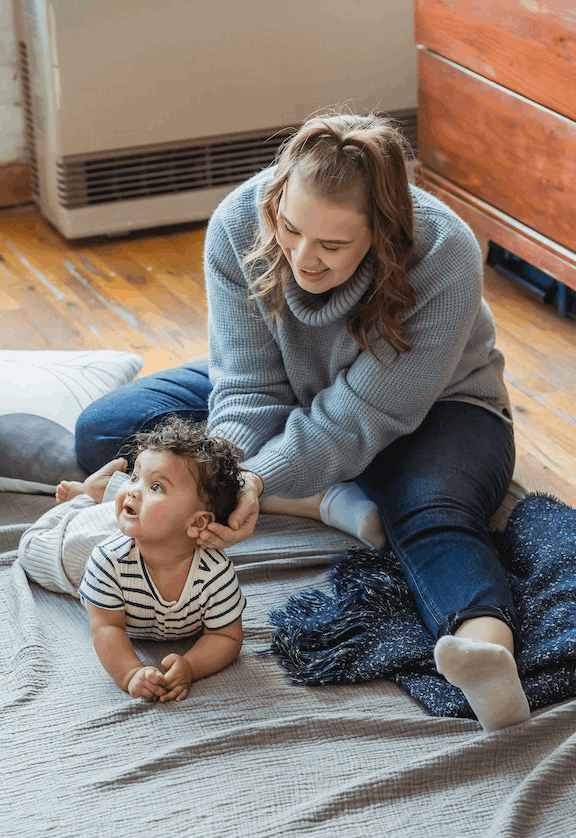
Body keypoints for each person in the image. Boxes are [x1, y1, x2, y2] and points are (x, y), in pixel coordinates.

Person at [73, 110, 530, 731]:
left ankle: (484, 651)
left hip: (436, 407)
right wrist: (222, 478)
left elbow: (359, 416)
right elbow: (247, 387)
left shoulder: (443, 253)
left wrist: (253, 482)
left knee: (430, 512)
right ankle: (321, 497)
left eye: (333, 245)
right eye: (290, 230)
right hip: (292, 390)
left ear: (384, 230)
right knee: (109, 429)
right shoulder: (240, 220)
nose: (303, 259)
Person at [18, 416, 246, 703]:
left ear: (198, 523)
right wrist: (130, 673)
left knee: (128, 514)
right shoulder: (107, 562)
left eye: (156, 487)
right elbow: (106, 627)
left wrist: (190, 666)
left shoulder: (214, 573)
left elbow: (226, 637)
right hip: (77, 550)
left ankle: (96, 492)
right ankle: (84, 496)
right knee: (30, 546)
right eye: (134, 477)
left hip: (133, 528)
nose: (135, 488)